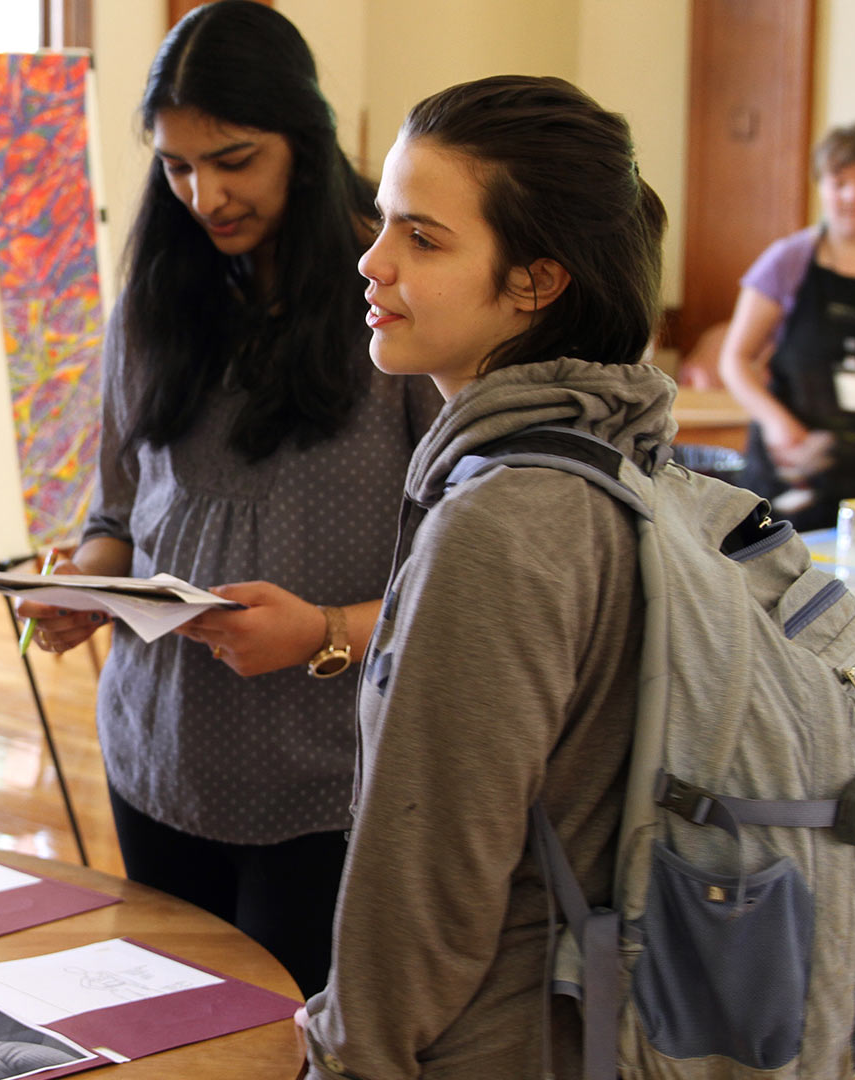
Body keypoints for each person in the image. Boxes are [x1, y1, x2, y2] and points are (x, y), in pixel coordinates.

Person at [17, 0, 441, 996]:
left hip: (332, 779)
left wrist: (326, 632)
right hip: (158, 759)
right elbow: (119, 517)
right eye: (176, 166)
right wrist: (86, 589)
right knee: (178, 1033)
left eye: (234, 160)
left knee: (294, 1039)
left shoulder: (396, 301)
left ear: (304, 136)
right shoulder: (158, 300)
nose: (204, 195)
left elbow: (466, 583)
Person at [298, 75, 668, 1077]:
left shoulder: (504, 524)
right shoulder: (632, 461)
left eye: (423, 238)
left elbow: (426, 892)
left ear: (535, 282)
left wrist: (344, 1061)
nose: (371, 263)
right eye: (382, 223)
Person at [719, 120, 855, 535]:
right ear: (822, 187)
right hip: (796, 475)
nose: (852, 195)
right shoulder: (786, 261)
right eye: (839, 182)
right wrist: (776, 422)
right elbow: (735, 359)